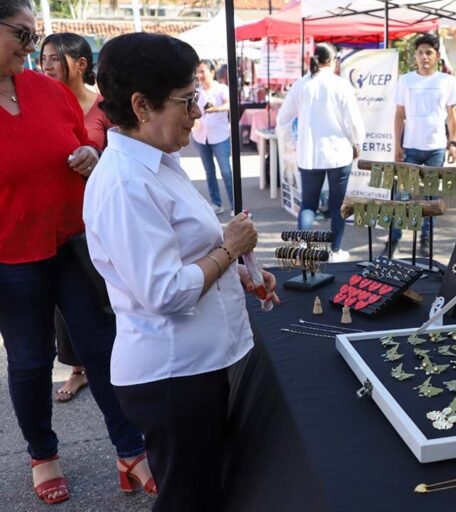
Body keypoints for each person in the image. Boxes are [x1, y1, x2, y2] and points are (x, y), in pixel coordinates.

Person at [85, 32, 279, 512]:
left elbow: (187, 248)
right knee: (188, 499)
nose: (198, 112)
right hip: (170, 375)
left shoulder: (158, 161)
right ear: (141, 105)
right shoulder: (125, 183)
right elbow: (165, 291)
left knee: (205, 487)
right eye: (187, 101)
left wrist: (239, 271)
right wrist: (228, 251)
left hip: (195, 365)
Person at [0, 0, 152, 505]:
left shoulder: (47, 92)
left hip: (72, 240)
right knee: (29, 360)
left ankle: (130, 450)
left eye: (33, 37)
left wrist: (89, 153)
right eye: (22, 36)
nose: (32, 49)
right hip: (10, 256)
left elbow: (81, 140)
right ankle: (43, 455)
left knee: (102, 348)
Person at [41, 32, 114, 403]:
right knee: (64, 300)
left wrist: (97, 160)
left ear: (81, 64)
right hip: (57, 218)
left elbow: (119, 159)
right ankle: (76, 367)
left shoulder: (104, 107)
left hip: (97, 216)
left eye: (55, 58)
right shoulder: (43, 103)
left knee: (101, 293)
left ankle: (112, 362)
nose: (46, 65)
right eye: (44, 58)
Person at [276, 42, 365, 262]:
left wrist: (295, 141)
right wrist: (357, 143)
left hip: (309, 154)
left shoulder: (301, 85)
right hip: (339, 153)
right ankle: (334, 251)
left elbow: (282, 120)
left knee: (308, 205)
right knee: (337, 206)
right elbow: (354, 122)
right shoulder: (341, 85)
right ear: (334, 61)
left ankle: (304, 251)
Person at [392, 33, 456, 256]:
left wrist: (452, 142)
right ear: (415, 56)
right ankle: (393, 241)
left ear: (437, 56)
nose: (424, 57)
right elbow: (399, 114)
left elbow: (451, 115)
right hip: (410, 147)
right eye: (420, 52)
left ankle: (426, 239)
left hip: (436, 148)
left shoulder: (446, 81)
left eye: (428, 52)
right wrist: (397, 145)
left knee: (430, 197)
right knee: (403, 196)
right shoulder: (406, 80)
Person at [192, 59, 234, 216]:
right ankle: (216, 203)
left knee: (226, 171)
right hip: (200, 136)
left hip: (219, 136)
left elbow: (230, 104)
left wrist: (216, 109)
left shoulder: (221, 89)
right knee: (209, 171)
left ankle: (235, 205)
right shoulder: (196, 91)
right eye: (198, 72)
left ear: (212, 72)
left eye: (202, 71)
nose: (199, 75)